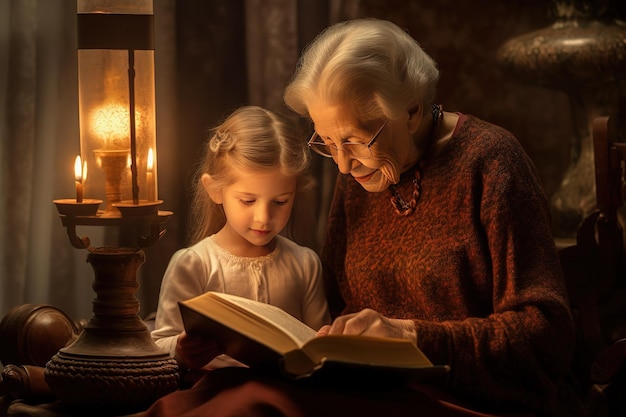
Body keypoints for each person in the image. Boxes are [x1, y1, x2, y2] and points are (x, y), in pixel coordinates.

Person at [144, 18, 586, 417]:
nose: (341, 165)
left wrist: (414, 337)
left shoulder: (491, 163)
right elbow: (338, 311)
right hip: (369, 391)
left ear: (411, 110)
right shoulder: (359, 175)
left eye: (355, 140)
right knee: (217, 400)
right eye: (327, 142)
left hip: (466, 399)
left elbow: (547, 340)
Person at [150, 105, 330, 373]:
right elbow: (158, 345)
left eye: (280, 202)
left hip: (290, 390)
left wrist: (326, 341)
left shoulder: (304, 263)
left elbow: (317, 343)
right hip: (215, 390)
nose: (263, 217)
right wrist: (180, 347)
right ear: (215, 190)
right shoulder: (193, 264)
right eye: (248, 200)